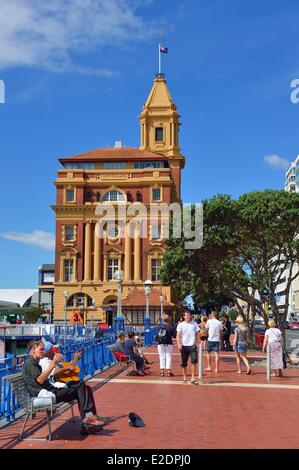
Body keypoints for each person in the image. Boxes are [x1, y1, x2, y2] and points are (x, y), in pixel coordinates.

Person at [22, 340, 105, 432]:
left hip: (51, 391)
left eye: (44, 350)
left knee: (81, 387)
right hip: (45, 396)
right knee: (81, 388)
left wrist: (72, 360)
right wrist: (53, 363)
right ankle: (87, 420)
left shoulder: (35, 363)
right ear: (33, 349)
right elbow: (40, 380)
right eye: (41, 349)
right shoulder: (30, 363)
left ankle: (87, 420)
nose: (43, 351)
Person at [176, 310, 200, 384]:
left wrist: (197, 342)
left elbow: (198, 333)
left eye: (188, 315)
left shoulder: (194, 324)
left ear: (190, 316)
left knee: (194, 361)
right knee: (184, 363)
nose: (187, 316)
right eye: (186, 315)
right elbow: (177, 335)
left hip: (192, 345)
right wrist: (179, 344)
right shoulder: (181, 325)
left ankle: (193, 377)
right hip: (184, 346)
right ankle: (184, 376)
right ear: (184, 316)